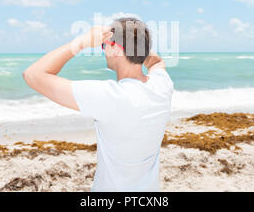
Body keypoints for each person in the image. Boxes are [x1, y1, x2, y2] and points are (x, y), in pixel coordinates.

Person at [22, 17, 174, 191]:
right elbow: (156, 62)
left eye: (104, 45)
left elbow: (32, 74)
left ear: (116, 49)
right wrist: (137, 46)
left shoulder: (110, 97)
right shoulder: (162, 86)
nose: (103, 50)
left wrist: (82, 42)